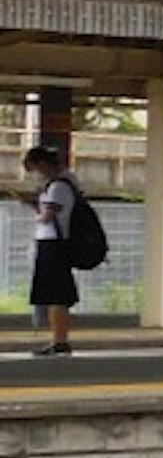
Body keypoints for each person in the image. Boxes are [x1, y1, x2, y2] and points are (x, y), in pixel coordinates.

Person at [21, 142, 82, 356]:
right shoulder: (63, 183)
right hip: (54, 244)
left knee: (56, 295)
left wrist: (34, 211)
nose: (36, 175)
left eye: (35, 169)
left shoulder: (58, 187)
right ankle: (59, 340)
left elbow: (47, 218)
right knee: (56, 295)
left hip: (54, 245)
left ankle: (60, 340)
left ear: (42, 164)